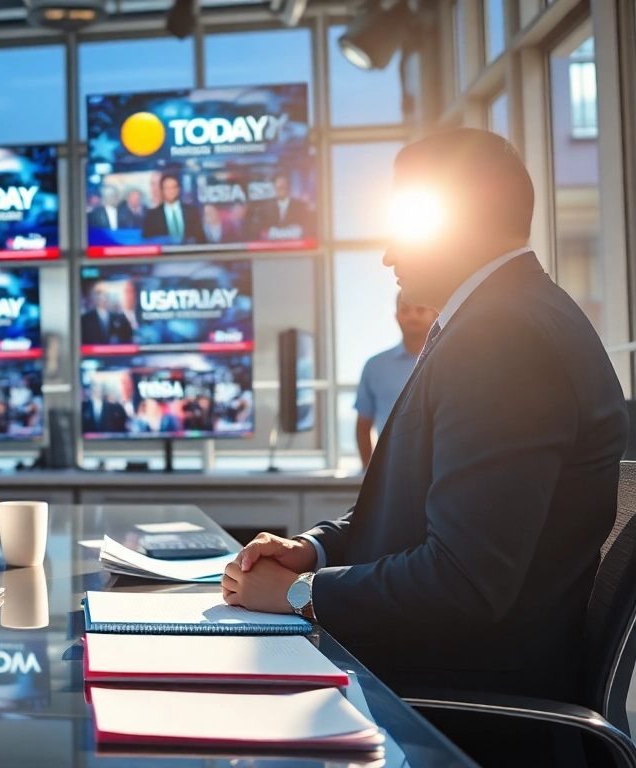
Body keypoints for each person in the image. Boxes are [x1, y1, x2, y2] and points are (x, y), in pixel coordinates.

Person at [220, 129, 627, 766]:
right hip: (438, 677)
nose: (386, 257)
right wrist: (312, 549)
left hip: (460, 706)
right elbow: (418, 510)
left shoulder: (504, 337)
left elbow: (463, 580)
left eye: (403, 227)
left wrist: (302, 595)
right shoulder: (504, 318)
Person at [354, 292, 438, 467]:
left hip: (441, 469)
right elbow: (363, 427)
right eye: (405, 310)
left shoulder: (450, 362)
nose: (413, 316)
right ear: (396, 317)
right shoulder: (375, 366)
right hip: (392, 471)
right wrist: (368, 473)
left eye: (420, 309)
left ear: (434, 314)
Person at [140, 173, 206, 244]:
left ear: (178, 189)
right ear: (162, 191)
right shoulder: (152, 216)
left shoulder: (192, 212)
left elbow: (201, 239)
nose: (171, 191)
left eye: (173, 187)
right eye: (167, 188)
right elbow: (147, 242)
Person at [251, 174, 315, 240]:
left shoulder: (300, 206)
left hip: (295, 245)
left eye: (282, 187)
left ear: (287, 188)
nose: (279, 190)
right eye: (277, 188)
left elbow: (308, 226)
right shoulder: (267, 208)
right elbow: (260, 229)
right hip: (273, 246)